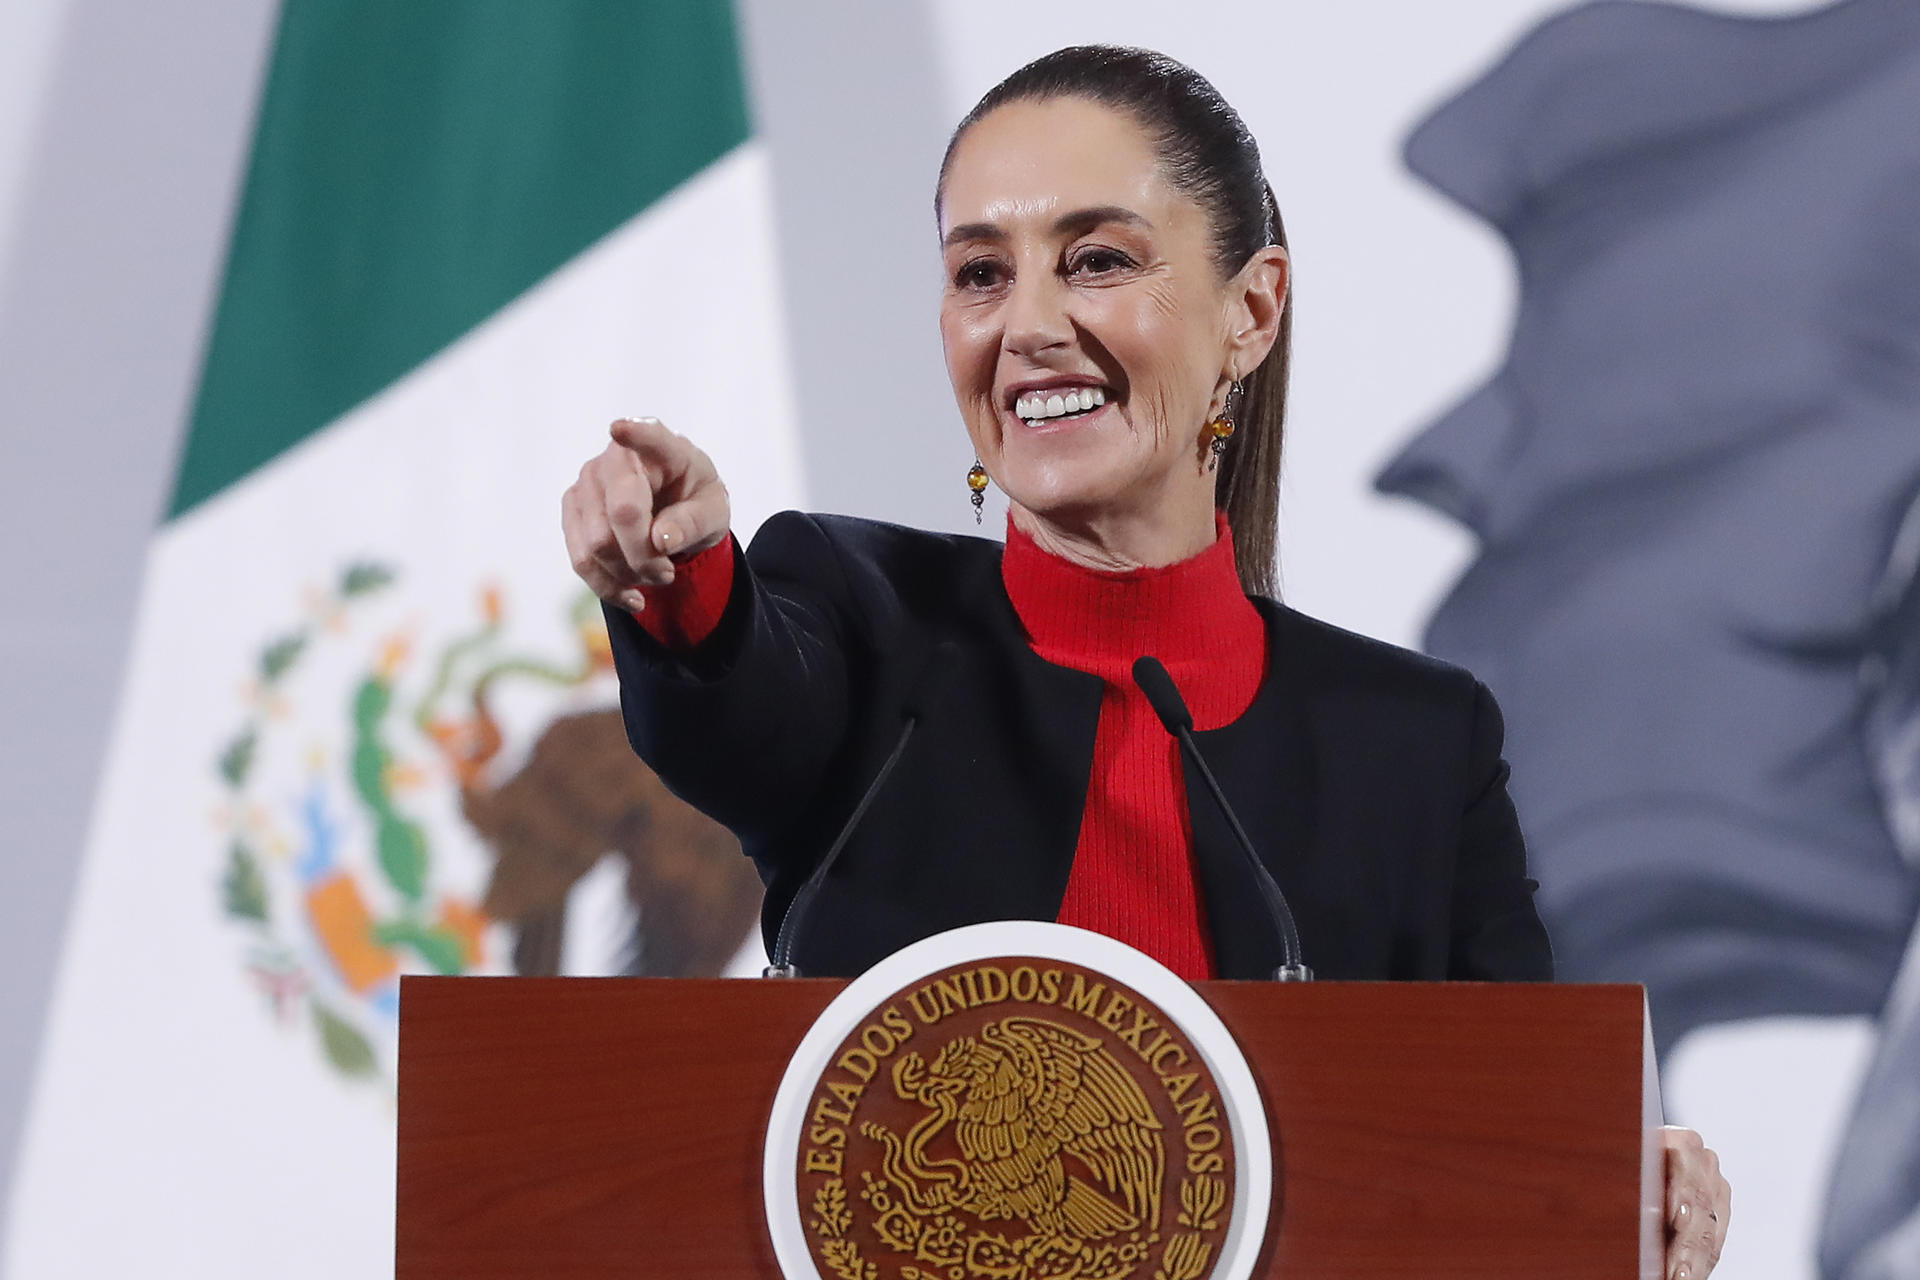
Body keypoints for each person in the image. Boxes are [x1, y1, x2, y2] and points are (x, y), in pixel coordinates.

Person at [559, 44, 1729, 1277]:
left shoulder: (1421, 742)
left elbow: (1519, 1140)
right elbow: (739, 706)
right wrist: (679, 581)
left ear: (1253, 310)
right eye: (978, 275)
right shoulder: (858, 615)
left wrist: (1629, 1181)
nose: (1028, 327)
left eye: (1098, 261)